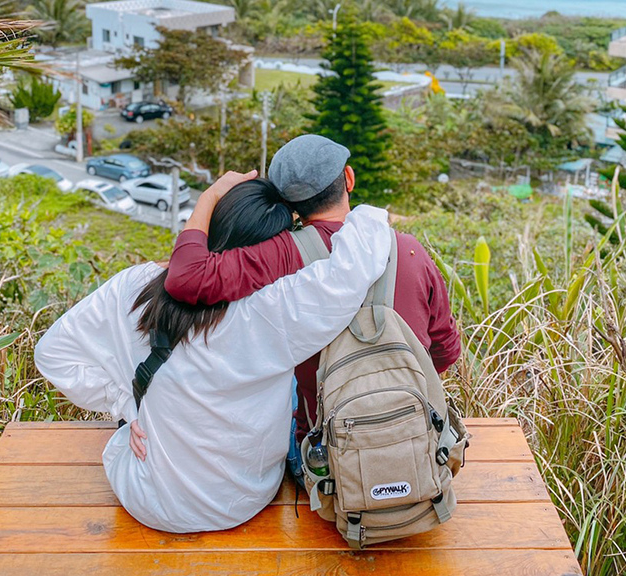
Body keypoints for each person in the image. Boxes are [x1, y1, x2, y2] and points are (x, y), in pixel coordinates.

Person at [34, 172, 391, 533]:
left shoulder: (133, 288)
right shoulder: (277, 309)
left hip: (150, 500)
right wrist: (369, 213)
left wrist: (126, 406)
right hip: (246, 498)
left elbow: (51, 355)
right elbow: (354, 266)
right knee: (295, 397)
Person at [164, 134, 462, 455]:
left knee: (288, 381)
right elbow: (445, 352)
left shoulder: (280, 255)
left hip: (322, 459)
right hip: (417, 444)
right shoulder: (409, 249)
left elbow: (185, 277)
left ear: (286, 204)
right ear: (349, 178)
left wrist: (211, 195)